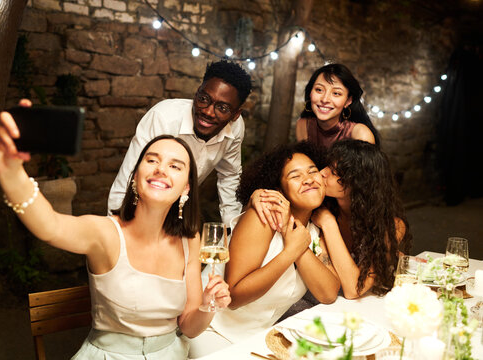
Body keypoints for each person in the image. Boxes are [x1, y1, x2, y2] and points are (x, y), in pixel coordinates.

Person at [0, 102, 231, 360]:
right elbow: (50, 226)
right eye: (152, 160)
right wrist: (11, 173)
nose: (161, 169)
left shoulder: (189, 240)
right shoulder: (105, 233)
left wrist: (208, 305)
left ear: (186, 189)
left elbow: (189, 328)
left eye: (175, 166)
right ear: (135, 177)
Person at [188, 142, 340, 358]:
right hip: (212, 332)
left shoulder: (313, 232)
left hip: (258, 340)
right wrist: (290, 252)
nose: (308, 179)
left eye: (313, 171)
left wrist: (297, 243)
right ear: (279, 190)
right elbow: (235, 297)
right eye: (295, 176)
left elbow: (328, 293)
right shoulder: (262, 218)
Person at [108, 60, 252, 227]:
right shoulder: (163, 118)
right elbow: (127, 179)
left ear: (236, 114)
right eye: (204, 99)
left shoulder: (236, 128)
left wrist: (233, 230)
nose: (208, 111)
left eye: (223, 108)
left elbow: (230, 176)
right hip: (140, 211)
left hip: (182, 213)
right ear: (197, 93)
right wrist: (117, 235)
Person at [313, 139, 411, 298]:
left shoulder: (390, 226)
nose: (322, 172)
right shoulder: (316, 207)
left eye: (334, 171)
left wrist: (328, 224)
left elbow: (354, 289)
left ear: (359, 184)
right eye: (326, 165)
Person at [295, 63, 380, 148]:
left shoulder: (361, 134)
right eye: (319, 90)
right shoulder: (303, 126)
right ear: (310, 93)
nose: (325, 99)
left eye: (336, 93)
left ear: (348, 101)